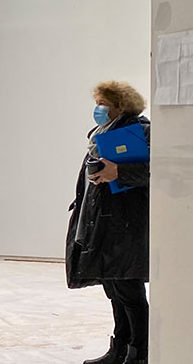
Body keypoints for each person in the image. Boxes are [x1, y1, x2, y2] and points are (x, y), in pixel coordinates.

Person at [66, 81, 150, 364]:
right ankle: (120, 349)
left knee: (129, 290)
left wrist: (120, 172)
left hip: (127, 225)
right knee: (114, 288)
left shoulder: (141, 131)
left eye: (103, 103)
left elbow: (155, 170)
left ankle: (139, 354)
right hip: (103, 222)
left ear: (120, 106)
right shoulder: (101, 133)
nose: (98, 109)